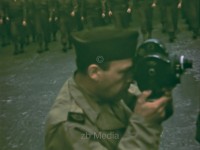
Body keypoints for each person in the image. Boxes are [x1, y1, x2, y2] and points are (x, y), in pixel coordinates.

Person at [45, 28, 173, 150]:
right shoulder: (69, 127)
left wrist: (157, 89)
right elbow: (145, 123)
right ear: (94, 72)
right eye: (125, 72)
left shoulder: (109, 89)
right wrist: (143, 126)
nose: (131, 79)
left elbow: (149, 105)